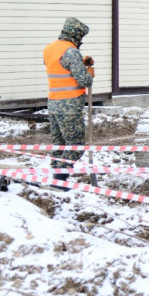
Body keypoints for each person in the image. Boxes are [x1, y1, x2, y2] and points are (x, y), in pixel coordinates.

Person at [43, 17, 94, 182]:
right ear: (76, 35)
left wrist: (80, 63)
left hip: (53, 103)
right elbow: (84, 80)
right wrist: (89, 69)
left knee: (60, 144)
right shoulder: (71, 52)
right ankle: (60, 180)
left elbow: (61, 68)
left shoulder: (49, 49)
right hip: (69, 105)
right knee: (75, 144)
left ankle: (56, 179)